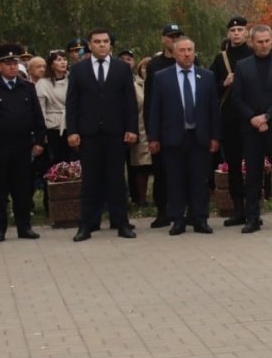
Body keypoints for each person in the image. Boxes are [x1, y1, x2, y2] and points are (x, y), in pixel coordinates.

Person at [65, 28, 139, 241]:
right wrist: (73, 131)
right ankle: (86, 225)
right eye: (97, 42)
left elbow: (130, 103)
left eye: (105, 41)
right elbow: (72, 103)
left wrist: (131, 128)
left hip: (116, 133)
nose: (102, 45)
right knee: (90, 181)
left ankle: (121, 223)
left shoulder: (121, 69)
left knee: (117, 180)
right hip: (88, 134)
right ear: (90, 45)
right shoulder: (78, 70)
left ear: (110, 45)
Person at [147, 36, 220, 234]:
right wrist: (153, 137)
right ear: (174, 53)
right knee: (175, 180)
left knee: (199, 179)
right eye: (182, 50)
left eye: (190, 50)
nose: (187, 54)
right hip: (173, 137)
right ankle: (177, 219)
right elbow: (155, 109)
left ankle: (200, 218)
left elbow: (213, 109)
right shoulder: (162, 77)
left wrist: (215, 136)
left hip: (199, 137)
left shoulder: (207, 76)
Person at [0, 43, 46, 242]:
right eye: (7, 63)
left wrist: (39, 140)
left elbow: (37, 117)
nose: (12, 67)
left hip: (23, 145)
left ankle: (24, 227)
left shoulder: (28, 87)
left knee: (22, 188)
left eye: (15, 63)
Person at [231, 25, 272, 233]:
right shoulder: (242, 66)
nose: (264, 45)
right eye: (260, 41)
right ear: (252, 42)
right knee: (252, 175)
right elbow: (236, 97)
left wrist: (267, 116)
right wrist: (253, 118)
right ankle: (252, 217)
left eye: (267, 40)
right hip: (251, 128)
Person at [209, 16, 252, 226]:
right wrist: (223, 83)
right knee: (234, 164)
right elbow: (209, 90)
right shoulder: (221, 59)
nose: (236, 34)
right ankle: (238, 209)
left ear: (246, 33)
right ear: (229, 34)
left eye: (240, 30)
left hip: (252, 117)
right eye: (233, 31)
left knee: (254, 164)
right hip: (230, 118)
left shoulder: (255, 54)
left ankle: (253, 207)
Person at [142, 23, 184, 227]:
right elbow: (149, 101)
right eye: (170, 36)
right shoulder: (155, 64)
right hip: (163, 127)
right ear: (163, 39)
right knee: (161, 172)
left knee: (184, 172)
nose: (174, 40)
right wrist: (152, 134)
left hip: (185, 127)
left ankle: (186, 210)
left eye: (177, 36)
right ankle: (162, 211)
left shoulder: (189, 60)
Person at [129, 58, 154, 206]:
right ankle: (141, 198)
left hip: (156, 128)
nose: (145, 70)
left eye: (148, 67)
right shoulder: (134, 86)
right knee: (141, 166)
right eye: (143, 67)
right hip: (140, 128)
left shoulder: (158, 83)